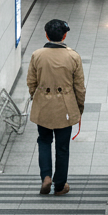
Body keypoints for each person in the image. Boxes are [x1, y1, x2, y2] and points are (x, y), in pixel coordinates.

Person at [27, 19, 86, 196]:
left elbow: (31, 82)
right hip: (65, 108)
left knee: (44, 141)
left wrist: (36, 98)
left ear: (46, 35)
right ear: (64, 35)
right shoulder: (73, 56)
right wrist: (79, 107)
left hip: (43, 106)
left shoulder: (37, 55)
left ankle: (46, 176)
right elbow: (79, 87)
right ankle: (60, 185)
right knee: (62, 147)